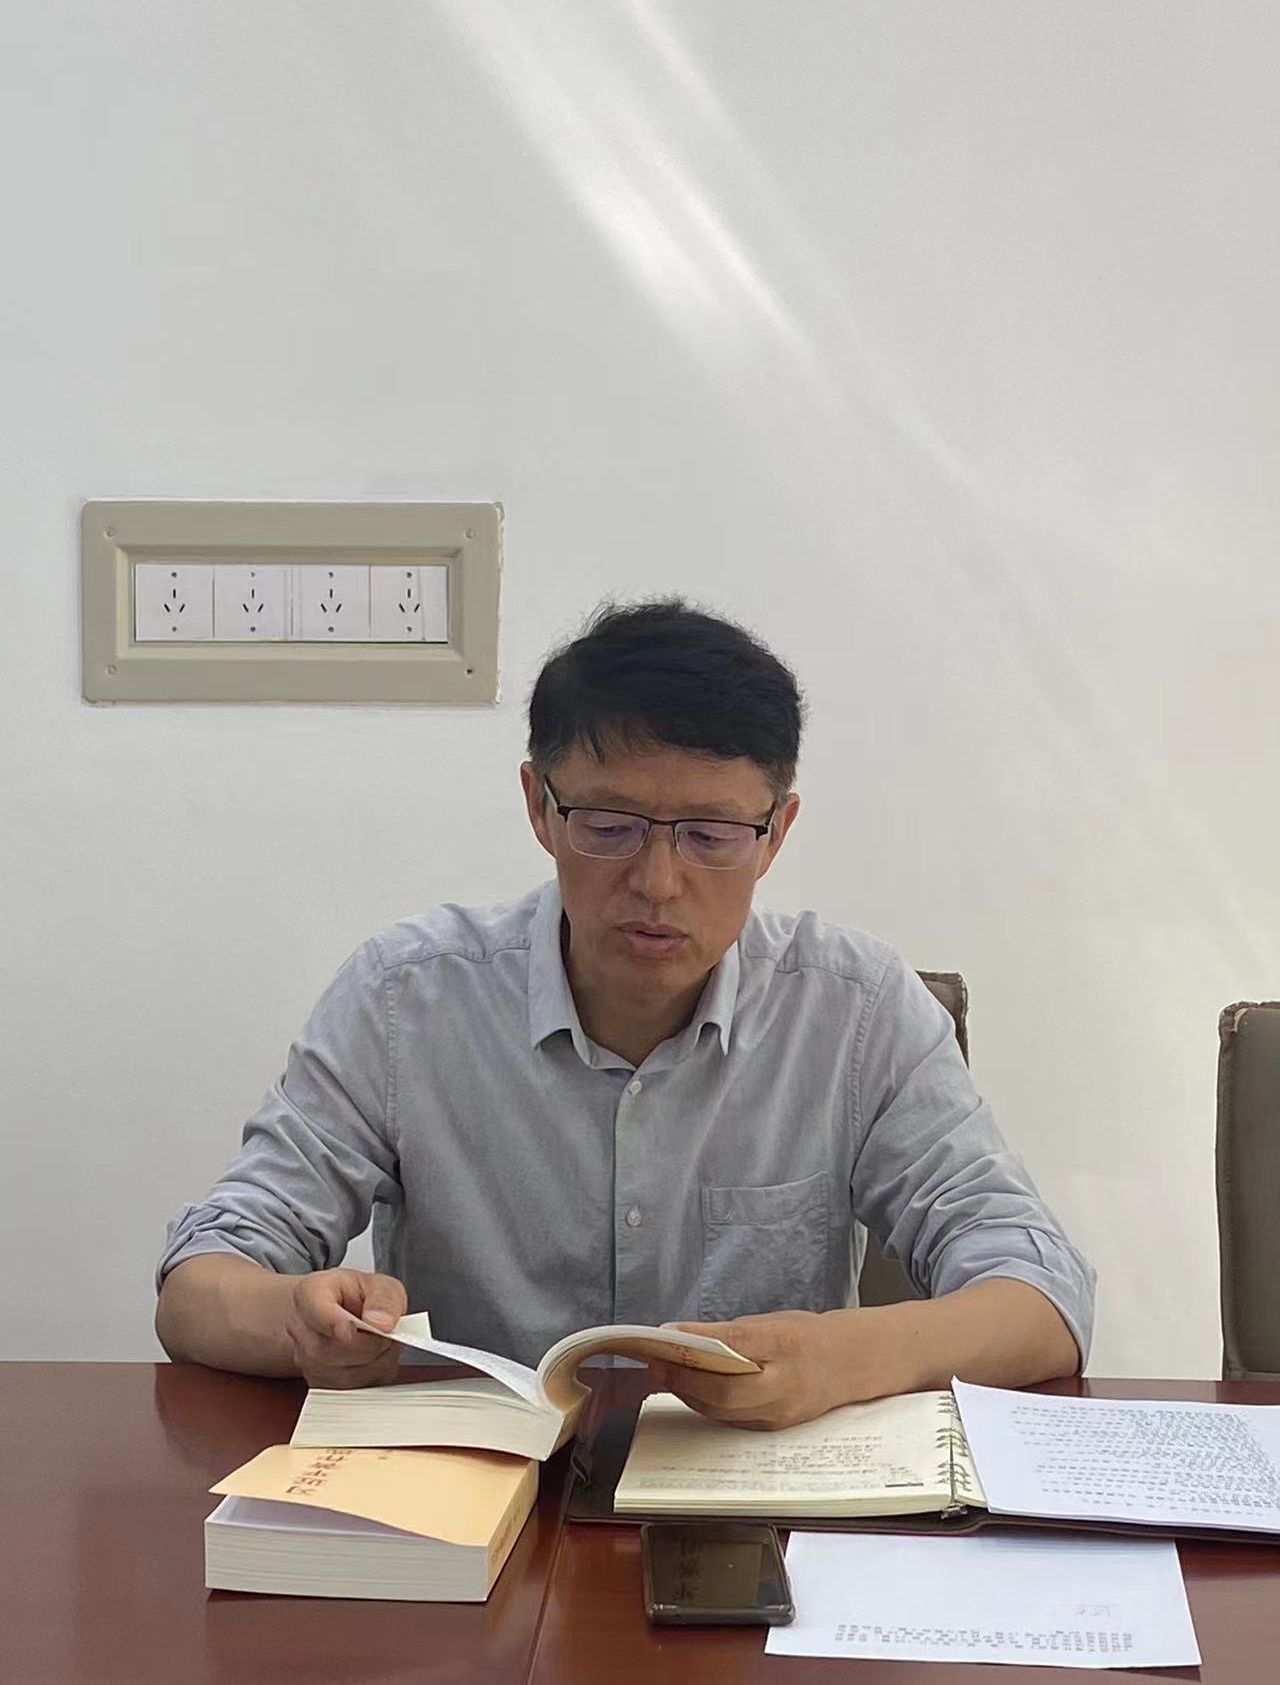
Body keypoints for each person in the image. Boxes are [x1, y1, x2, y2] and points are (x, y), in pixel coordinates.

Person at [155, 599, 1094, 1430]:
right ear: (540, 807)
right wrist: (297, 1320)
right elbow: (200, 1281)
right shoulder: (405, 1001)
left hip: (756, 1509)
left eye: (711, 835)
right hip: (481, 1506)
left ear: (776, 833)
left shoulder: (855, 1011)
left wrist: (841, 1358)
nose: (657, 882)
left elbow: (1044, 1295)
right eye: (609, 827)